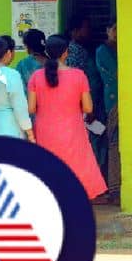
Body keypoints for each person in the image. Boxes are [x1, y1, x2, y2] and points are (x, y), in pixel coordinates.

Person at [28, 35, 107, 202]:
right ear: (66, 53)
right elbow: (88, 108)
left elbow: (31, 108)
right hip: (72, 130)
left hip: (45, 131)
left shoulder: (36, 76)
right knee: (76, 169)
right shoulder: (79, 76)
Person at [66, 15, 106, 169]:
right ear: (75, 31)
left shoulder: (81, 50)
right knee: (93, 140)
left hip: (92, 103)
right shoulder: (75, 52)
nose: (89, 31)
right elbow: (76, 83)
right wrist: (86, 108)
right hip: (86, 106)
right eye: (85, 28)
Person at [96, 21, 120, 202]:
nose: (118, 33)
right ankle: (114, 187)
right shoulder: (103, 51)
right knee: (114, 143)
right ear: (107, 31)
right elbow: (118, 73)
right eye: (114, 29)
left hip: (124, 99)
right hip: (113, 101)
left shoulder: (120, 48)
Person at [15, 29, 47, 94]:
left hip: (29, 102)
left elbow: (20, 89)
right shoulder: (53, 62)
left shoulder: (22, 64)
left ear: (28, 46)